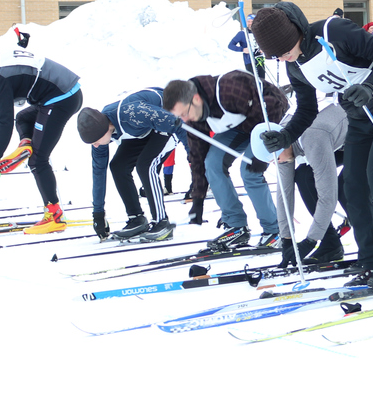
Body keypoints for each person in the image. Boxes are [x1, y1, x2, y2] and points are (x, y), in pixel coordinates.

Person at [251, 2, 373, 291]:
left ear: (295, 30)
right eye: (276, 55)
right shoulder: (296, 64)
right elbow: (306, 109)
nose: (283, 57)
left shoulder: (333, 31)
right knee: (351, 185)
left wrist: (370, 87)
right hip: (359, 115)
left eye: (284, 49)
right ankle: (371, 259)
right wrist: (286, 136)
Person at [163, 69, 285, 250]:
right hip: (241, 126)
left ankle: (275, 231)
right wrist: (198, 200)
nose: (184, 119)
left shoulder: (228, 89)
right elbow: (197, 159)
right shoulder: (195, 119)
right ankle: (236, 226)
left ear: (196, 99)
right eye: (180, 116)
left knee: (250, 171)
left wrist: (263, 147)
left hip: (268, 119)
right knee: (211, 164)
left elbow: (273, 105)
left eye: (184, 113)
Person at [0, 49, 82, 234]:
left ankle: (55, 216)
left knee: (38, 160)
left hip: (62, 98)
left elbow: (4, 122)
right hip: (58, 94)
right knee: (23, 118)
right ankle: (26, 145)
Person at [77, 88, 185, 243]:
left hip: (169, 118)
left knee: (146, 166)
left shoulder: (130, 113)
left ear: (104, 130)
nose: (95, 146)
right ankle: (137, 219)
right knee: (118, 166)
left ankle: (162, 223)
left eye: (95, 141)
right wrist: (98, 213)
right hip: (145, 128)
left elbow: (176, 123)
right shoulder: (100, 129)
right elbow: (99, 171)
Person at [274, 102, 349, 267]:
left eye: (276, 158)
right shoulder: (279, 143)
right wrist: (286, 240)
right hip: (331, 139)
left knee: (346, 188)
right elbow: (284, 193)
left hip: (361, 135)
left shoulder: (312, 138)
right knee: (304, 177)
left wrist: (309, 241)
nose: (276, 162)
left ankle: (372, 250)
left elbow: (328, 197)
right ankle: (331, 245)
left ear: (283, 145)